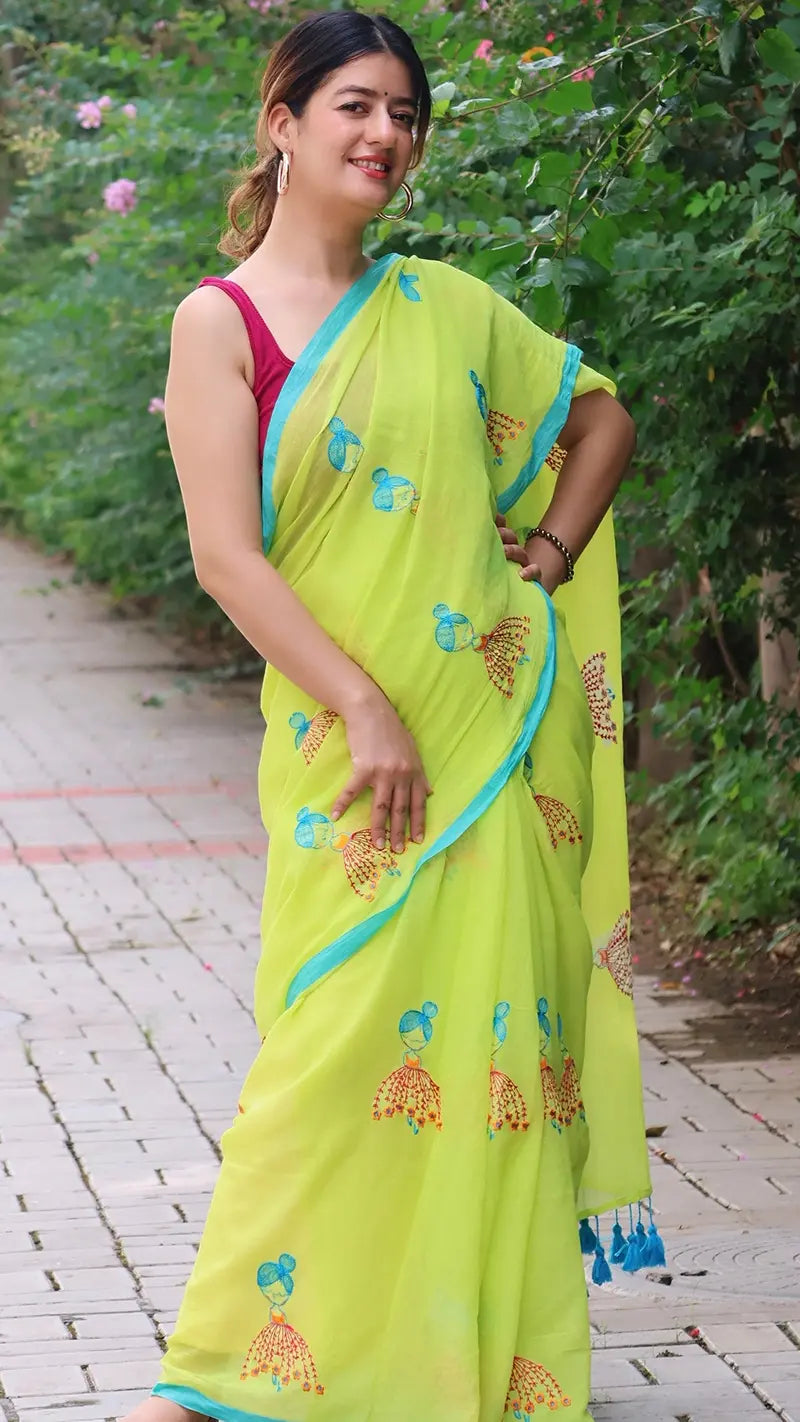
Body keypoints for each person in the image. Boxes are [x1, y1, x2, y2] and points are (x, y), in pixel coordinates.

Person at [129, 11, 654, 1422]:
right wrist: (363, 700)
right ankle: (212, 1376)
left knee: (490, 1057)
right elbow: (227, 556)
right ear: (281, 122)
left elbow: (599, 418)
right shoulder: (218, 322)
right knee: (327, 1054)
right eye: (354, 105)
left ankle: (471, 1365)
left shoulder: (454, 306)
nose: (383, 135)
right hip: (346, 758)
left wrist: (540, 557)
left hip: (493, 747)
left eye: (406, 115)